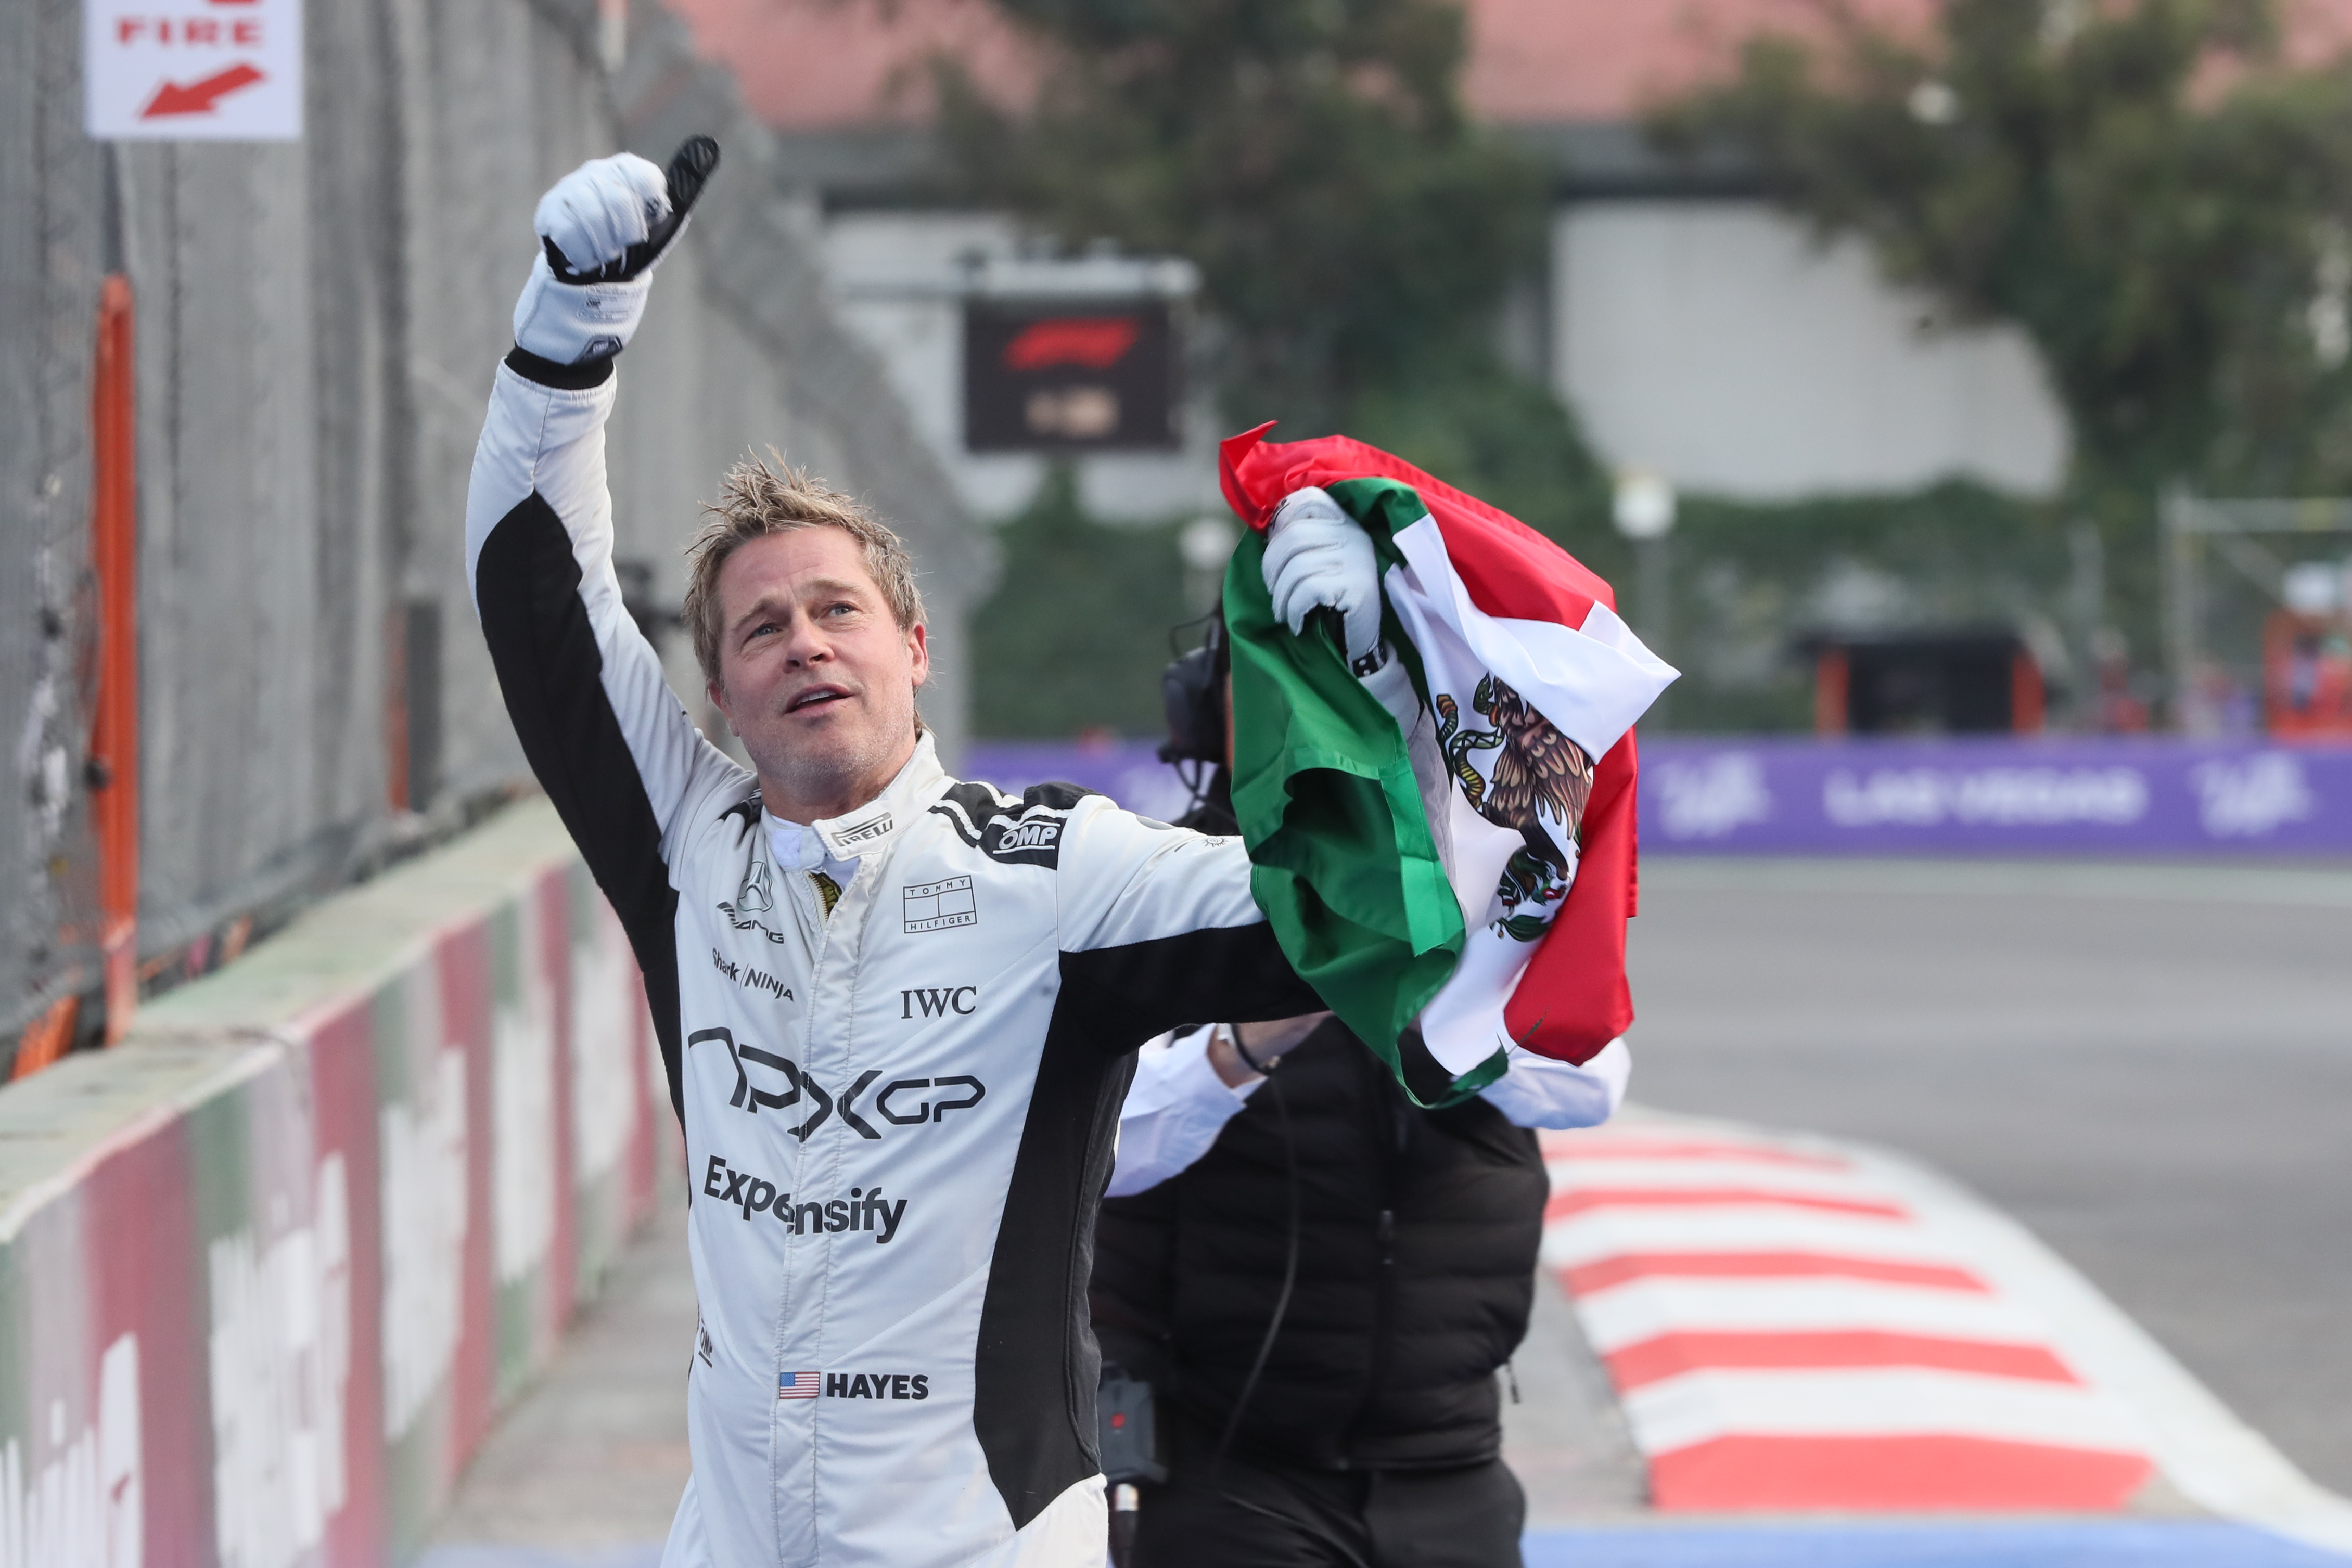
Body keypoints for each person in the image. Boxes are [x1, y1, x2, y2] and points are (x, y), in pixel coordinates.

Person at [465, 147, 1332, 1568]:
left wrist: (1367, 667)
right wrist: (572, 332)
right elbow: (531, 584)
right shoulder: (687, 844)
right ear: (724, 699)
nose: (803, 639)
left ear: (915, 651)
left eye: (837, 610)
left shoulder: (1057, 870)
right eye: (759, 628)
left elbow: (1341, 920)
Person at [1090, 620, 1629, 1568]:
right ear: (1214, 708)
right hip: (1230, 1471)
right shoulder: (1156, 891)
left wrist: (1425, 992)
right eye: (1288, 680)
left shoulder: (1496, 892)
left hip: (1452, 1463)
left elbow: (1590, 1082)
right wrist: (1249, 1041)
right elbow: (1103, 1146)